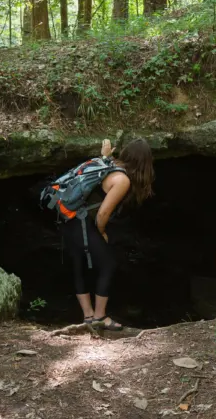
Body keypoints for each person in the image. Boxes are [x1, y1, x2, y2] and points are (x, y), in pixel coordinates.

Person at [63, 138, 154, 330]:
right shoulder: (123, 180)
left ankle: (88, 317)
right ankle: (99, 317)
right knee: (108, 264)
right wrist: (102, 232)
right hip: (83, 223)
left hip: (69, 219)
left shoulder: (109, 164)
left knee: (79, 265)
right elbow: (103, 213)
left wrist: (105, 154)